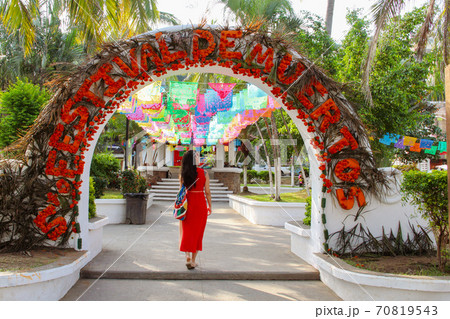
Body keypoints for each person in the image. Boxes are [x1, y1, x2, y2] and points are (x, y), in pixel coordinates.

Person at [179, 150, 212, 270]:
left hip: (188, 205)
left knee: (186, 231)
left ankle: (187, 255)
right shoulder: (204, 173)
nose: (199, 158)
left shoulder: (183, 174)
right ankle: (193, 261)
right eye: (197, 157)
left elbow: (181, 192)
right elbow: (207, 192)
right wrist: (210, 206)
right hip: (200, 204)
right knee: (198, 233)